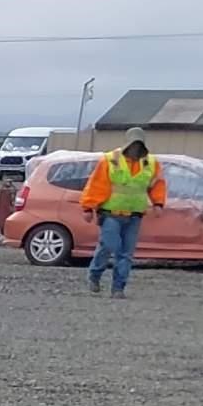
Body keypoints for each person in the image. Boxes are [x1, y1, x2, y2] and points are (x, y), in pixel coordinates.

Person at [81, 127, 167, 297]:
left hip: (135, 215)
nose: (135, 149)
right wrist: (88, 207)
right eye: (133, 145)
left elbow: (157, 184)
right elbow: (97, 184)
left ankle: (118, 288)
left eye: (139, 145)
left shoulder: (151, 163)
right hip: (110, 213)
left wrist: (158, 203)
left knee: (126, 254)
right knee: (109, 245)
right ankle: (95, 275)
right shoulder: (110, 160)